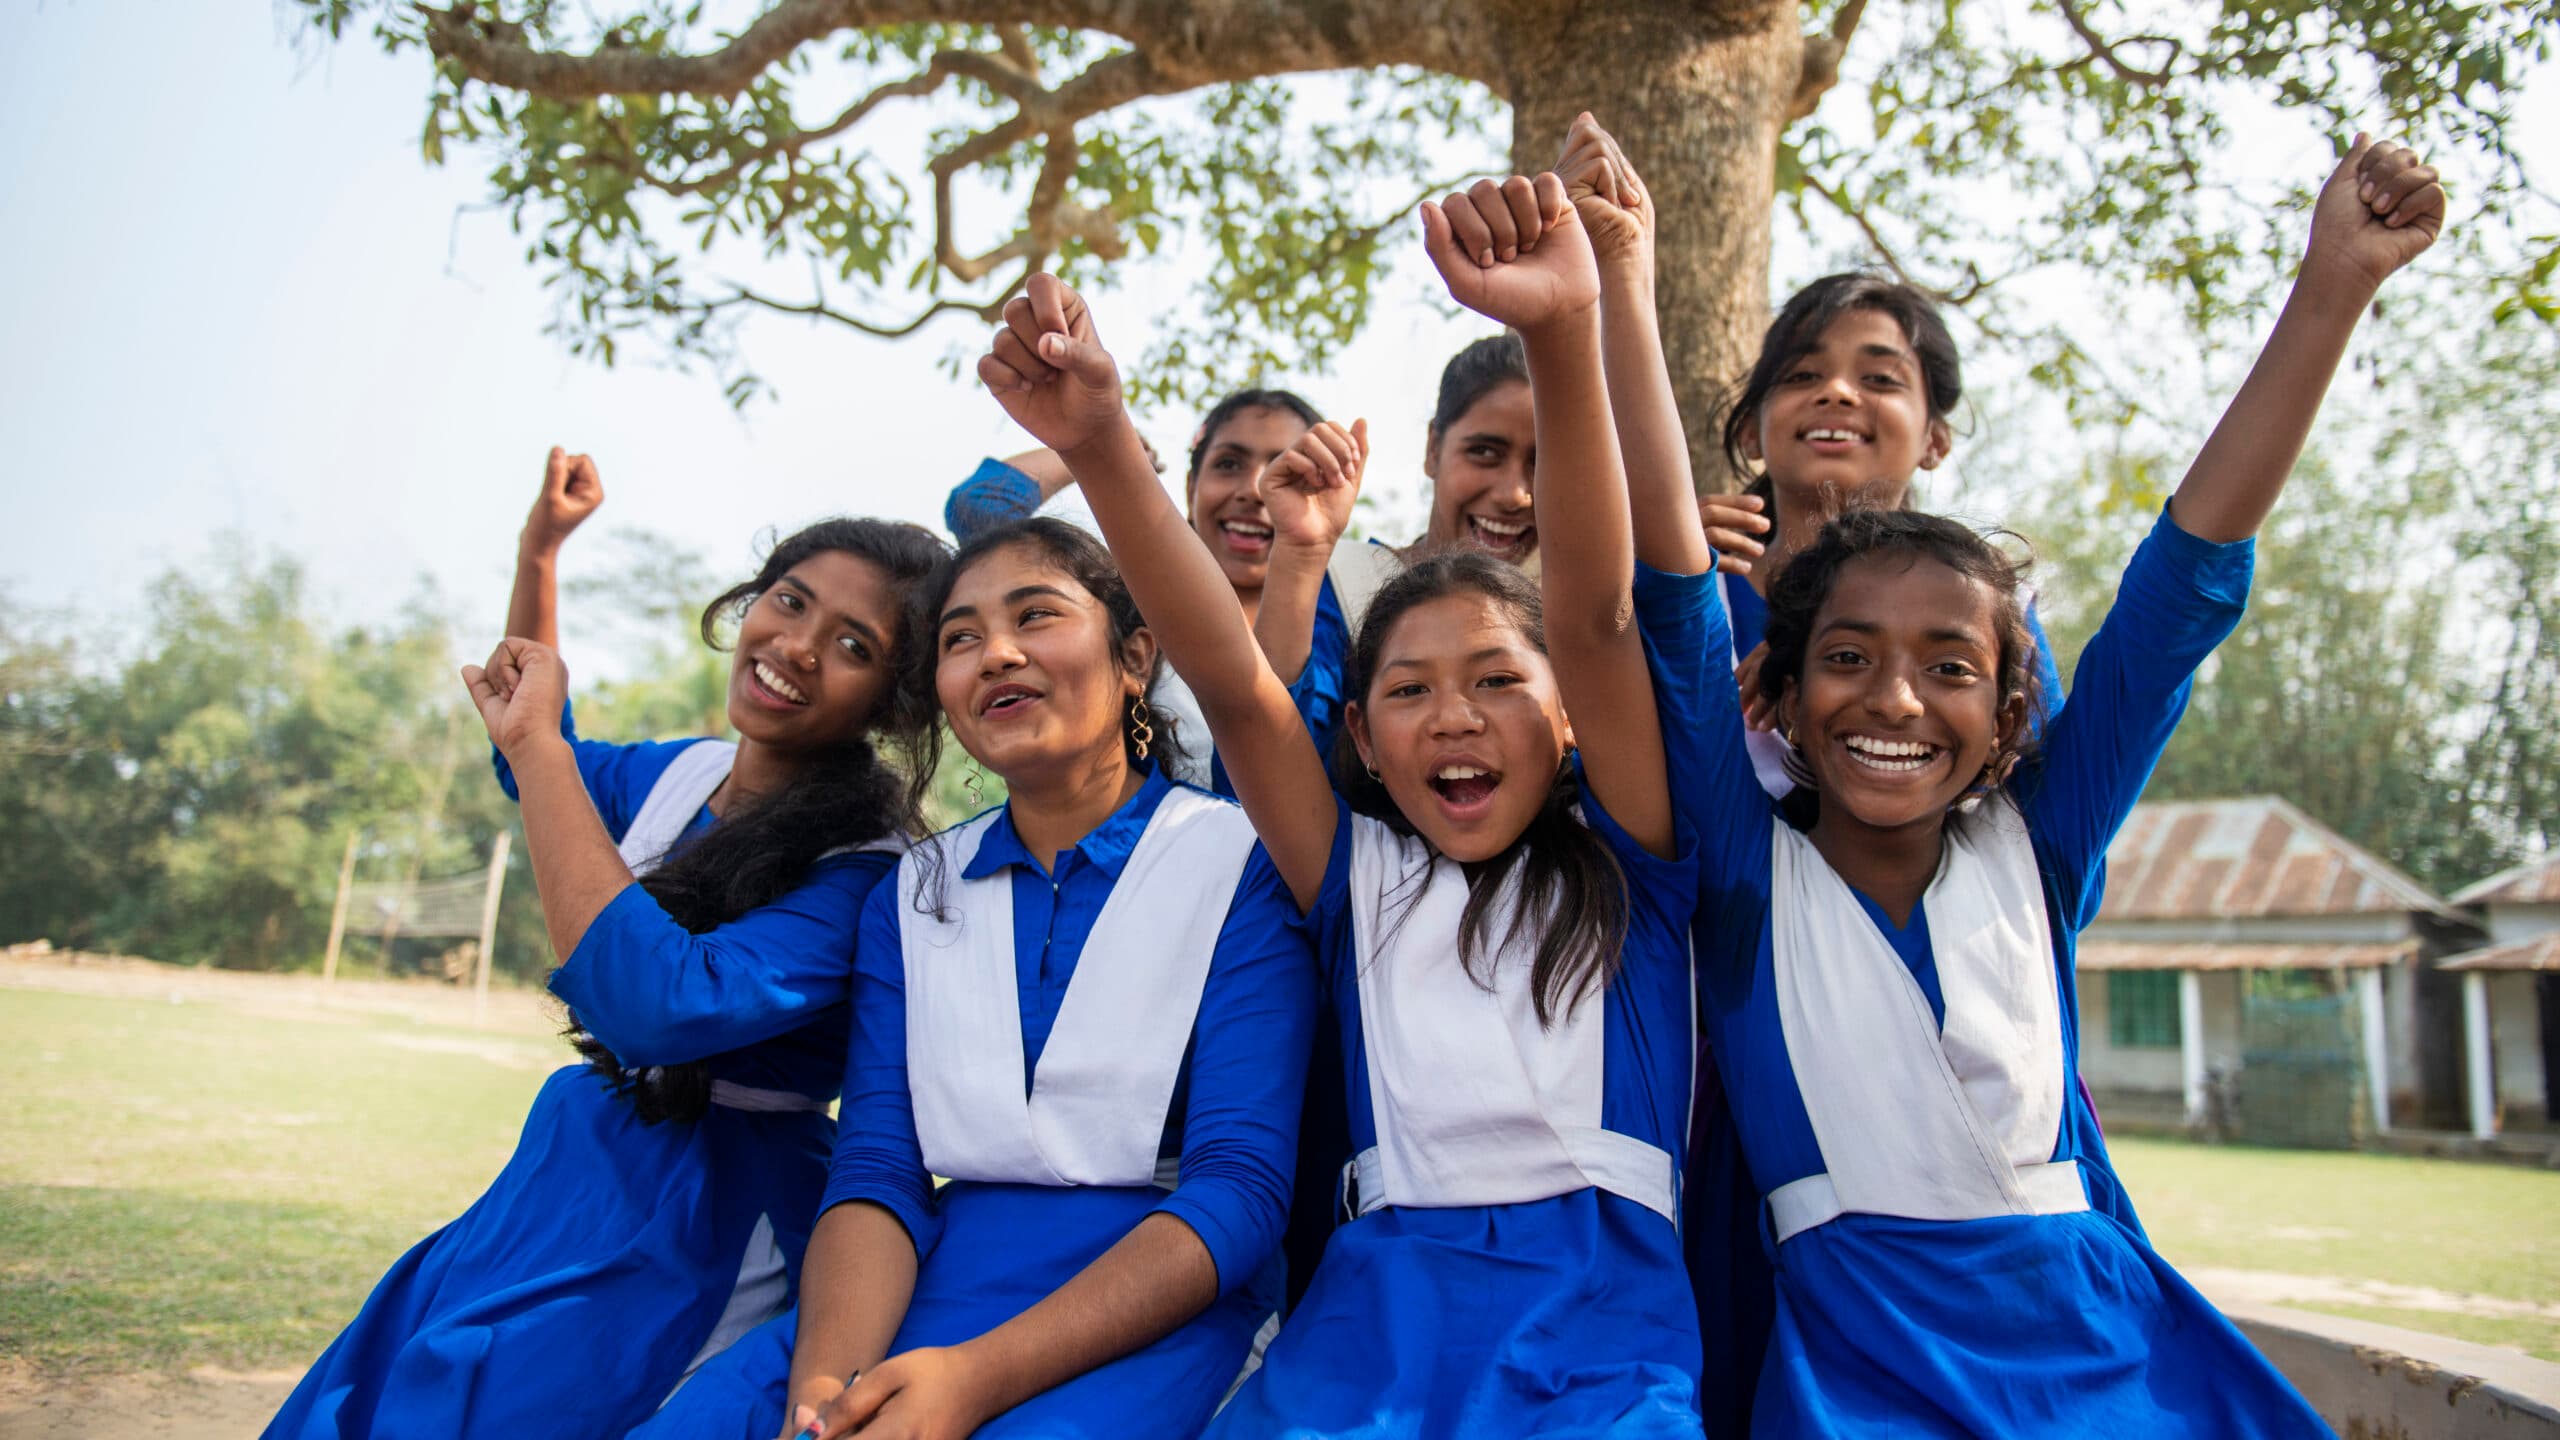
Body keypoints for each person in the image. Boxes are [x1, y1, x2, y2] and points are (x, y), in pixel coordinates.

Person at [1625, 136, 2439, 1435]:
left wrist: (2332, 286)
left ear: (2012, 714)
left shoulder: (2034, 841)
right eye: (1844, 658)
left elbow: (2178, 594)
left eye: (1948, 666)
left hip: (2101, 1341)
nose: (1895, 699)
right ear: (1772, 694)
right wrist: (1614, 285)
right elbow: (1664, 617)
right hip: (1851, 1348)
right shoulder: (1740, 859)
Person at [1003, 171, 1704, 1434]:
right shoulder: (1353, 874)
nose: (1451, 717)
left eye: (1497, 680)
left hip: (1602, 1347)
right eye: (1408, 691)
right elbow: (1227, 672)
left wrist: (1560, 329)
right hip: (1366, 1332)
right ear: (1365, 746)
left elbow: (1599, 615)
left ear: (1567, 719)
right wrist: (1103, 444)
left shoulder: (1637, 857)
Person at [267, 450, 949, 1439]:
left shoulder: (865, 868)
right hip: (573, 1162)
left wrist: (540, 749)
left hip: (709, 1213)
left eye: (851, 645)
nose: (796, 645)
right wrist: (539, 554)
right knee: (407, 1381)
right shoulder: (684, 774)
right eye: (790, 603)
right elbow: (534, 767)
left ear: (892, 701)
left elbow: (664, 1004)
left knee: (518, 1403)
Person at [636, 517, 1316, 1440]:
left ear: (1133, 659)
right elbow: (879, 1171)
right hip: (921, 1287)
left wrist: (975, 1380)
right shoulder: (910, 894)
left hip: (1150, 1307)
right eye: (961, 639)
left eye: (1036, 616)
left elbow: (1238, 1192)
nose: (996, 652)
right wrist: (827, 1395)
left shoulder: (1241, 862)